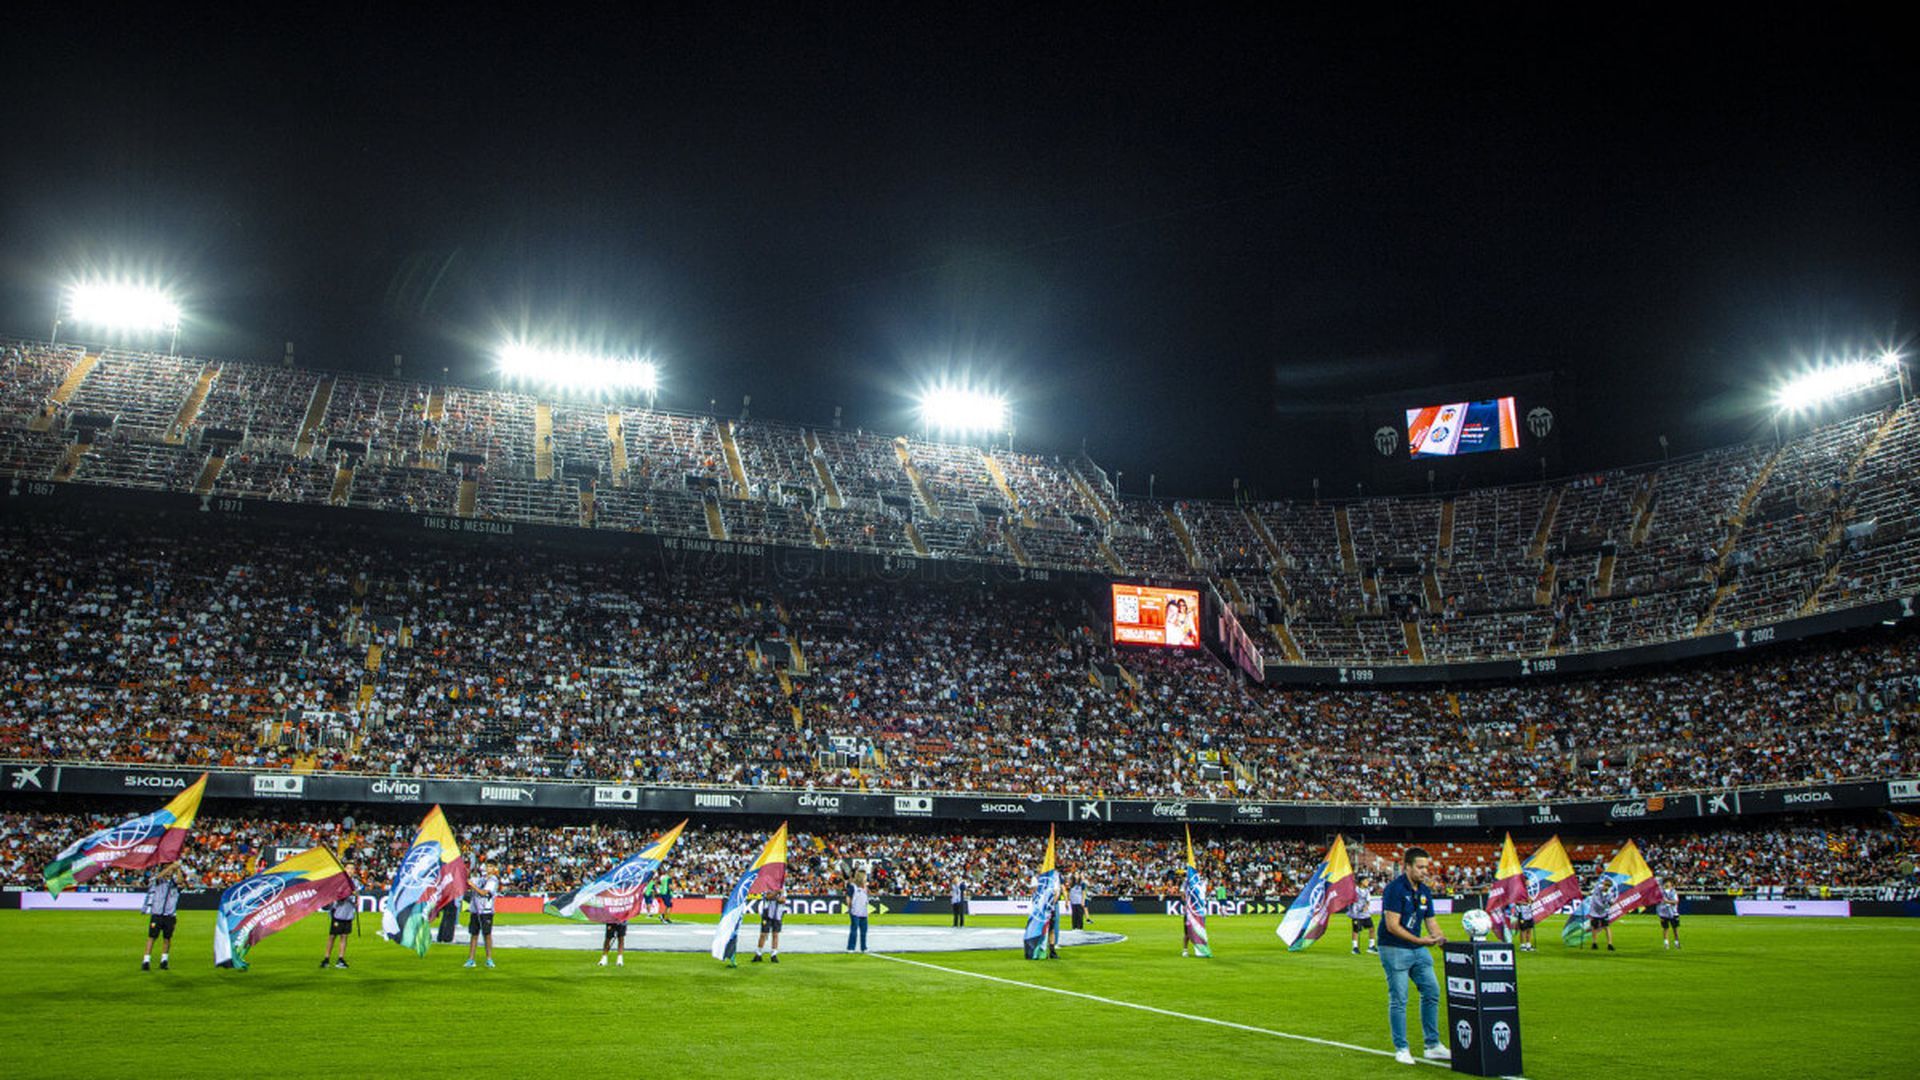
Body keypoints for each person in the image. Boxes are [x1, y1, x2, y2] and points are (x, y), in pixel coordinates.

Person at [1379, 847, 1450, 1066]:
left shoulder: (1425, 891)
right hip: (1394, 948)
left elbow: (1431, 921)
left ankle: (1433, 1045)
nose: (1424, 871)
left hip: (1417, 949)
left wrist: (1441, 939)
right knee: (1399, 999)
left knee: (1432, 991)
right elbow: (1392, 925)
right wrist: (1421, 941)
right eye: (1419, 867)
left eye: (1426, 867)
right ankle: (1401, 1047)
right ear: (1406, 866)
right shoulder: (1394, 889)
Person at [141, 863, 184, 972]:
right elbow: (159, 876)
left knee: (167, 938)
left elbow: (180, 881)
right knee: (152, 937)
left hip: (169, 915)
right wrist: (171, 866)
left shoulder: (174, 883)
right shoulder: (158, 882)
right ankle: (146, 960)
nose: (169, 871)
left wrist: (178, 868)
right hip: (157, 914)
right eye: (167, 870)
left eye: (170, 870)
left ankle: (164, 960)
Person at [465, 859, 500, 969]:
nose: (488, 868)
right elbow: (470, 882)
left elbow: (483, 892)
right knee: (474, 934)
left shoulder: (493, 880)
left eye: (490, 866)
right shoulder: (482, 879)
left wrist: (472, 885)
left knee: (487, 935)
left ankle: (489, 959)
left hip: (486, 911)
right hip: (476, 910)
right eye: (487, 866)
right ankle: (471, 959)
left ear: (494, 869)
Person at [322, 865, 358, 969]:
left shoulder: (355, 883)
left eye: (352, 868)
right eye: (348, 868)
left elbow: (356, 898)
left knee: (344, 936)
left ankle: (340, 959)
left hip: (348, 914)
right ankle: (326, 958)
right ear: (344, 870)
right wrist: (349, 894)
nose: (350, 870)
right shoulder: (340, 882)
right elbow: (337, 896)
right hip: (338, 913)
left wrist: (355, 898)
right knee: (332, 936)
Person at [752, 887, 786, 964]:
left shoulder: (782, 887)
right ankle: (758, 953)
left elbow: (783, 900)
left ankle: (774, 954)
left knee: (775, 934)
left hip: (778, 914)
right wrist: (777, 893)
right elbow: (768, 897)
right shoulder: (768, 887)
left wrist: (776, 896)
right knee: (763, 934)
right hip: (767, 914)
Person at [1588, 877, 1617, 952]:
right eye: (1605, 885)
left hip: (1603, 912)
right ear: (1603, 884)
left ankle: (1610, 944)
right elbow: (1595, 899)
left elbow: (1611, 901)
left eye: (1608, 886)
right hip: (1595, 911)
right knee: (1594, 926)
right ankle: (1594, 943)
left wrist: (1611, 903)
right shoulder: (1597, 889)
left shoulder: (1610, 894)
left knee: (1606, 927)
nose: (1606, 887)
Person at [845, 870, 870, 952]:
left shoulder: (865, 887)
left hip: (863, 911)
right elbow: (848, 897)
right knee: (854, 930)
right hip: (855, 911)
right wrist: (850, 907)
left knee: (864, 931)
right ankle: (851, 947)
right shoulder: (853, 886)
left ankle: (864, 947)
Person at [1349, 878, 1375, 955]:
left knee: (1371, 928)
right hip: (1356, 913)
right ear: (1361, 882)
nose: (1367, 882)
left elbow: (1368, 901)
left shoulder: (1367, 891)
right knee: (1356, 930)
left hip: (1365, 913)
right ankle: (1355, 947)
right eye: (1366, 881)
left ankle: (1371, 946)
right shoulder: (1355, 890)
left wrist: (1366, 907)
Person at [1656, 879, 1681, 950]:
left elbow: (1676, 902)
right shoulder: (1661, 892)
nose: (1666, 884)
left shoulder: (1673, 892)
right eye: (1665, 882)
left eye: (1668, 882)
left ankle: (1676, 942)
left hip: (1673, 912)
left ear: (1671, 884)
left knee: (1675, 929)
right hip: (1663, 913)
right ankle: (1666, 943)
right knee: (1665, 928)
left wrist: (1668, 901)